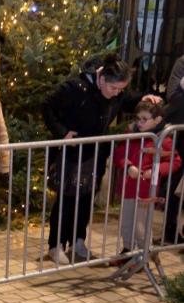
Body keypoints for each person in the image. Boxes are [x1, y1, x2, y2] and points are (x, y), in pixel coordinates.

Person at [42, 53, 162, 264]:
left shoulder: (116, 92)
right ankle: (56, 244)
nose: (116, 93)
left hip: (95, 153)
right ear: (102, 78)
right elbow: (47, 106)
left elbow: (128, 100)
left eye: (120, 89)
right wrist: (62, 132)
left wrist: (146, 97)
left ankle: (78, 241)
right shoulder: (75, 88)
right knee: (67, 199)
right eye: (113, 88)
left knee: (88, 197)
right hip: (71, 152)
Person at [113, 101, 181, 259]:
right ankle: (128, 250)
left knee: (141, 225)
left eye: (145, 119)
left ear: (157, 120)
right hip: (128, 187)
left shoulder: (163, 138)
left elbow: (175, 161)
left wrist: (155, 171)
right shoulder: (132, 133)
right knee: (126, 222)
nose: (140, 122)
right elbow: (120, 152)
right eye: (138, 118)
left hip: (146, 191)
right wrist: (128, 165)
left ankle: (144, 254)